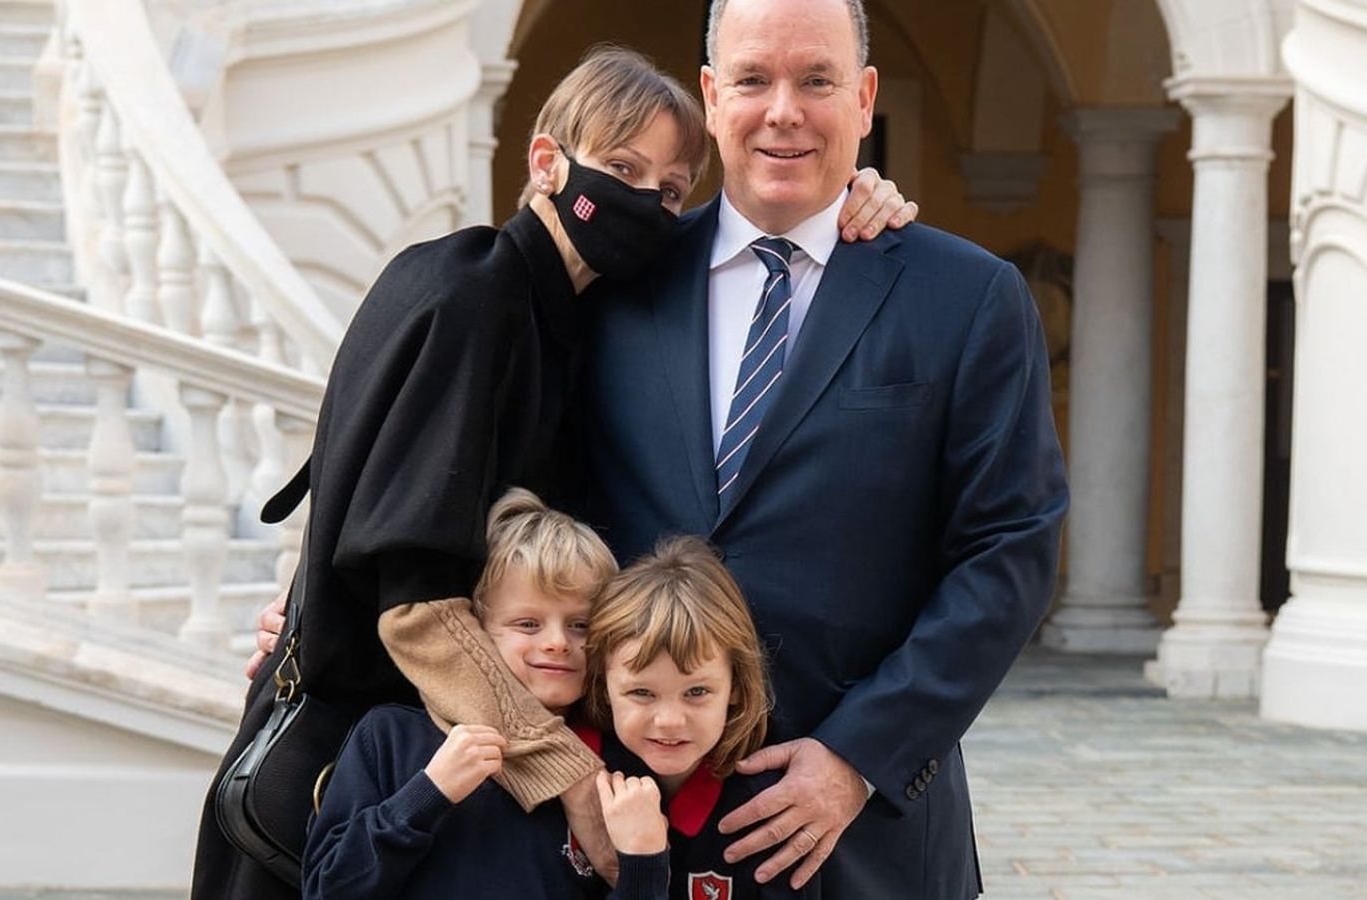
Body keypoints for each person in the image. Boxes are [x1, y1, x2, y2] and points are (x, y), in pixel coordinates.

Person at [197, 44, 916, 900]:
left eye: (670, 190)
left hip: (469, 774)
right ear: (547, 162)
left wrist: (855, 199)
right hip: (383, 776)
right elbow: (415, 603)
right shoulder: (471, 298)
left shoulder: (566, 317)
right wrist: (569, 778)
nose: (645, 203)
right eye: (619, 168)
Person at [576, 1, 1070, 897]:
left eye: (817, 80)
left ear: (865, 96)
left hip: (866, 841)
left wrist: (857, 756)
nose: (783, 111)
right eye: (755, 79)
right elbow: (513, 499)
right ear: (711, 94)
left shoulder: (968, 297)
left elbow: (1011, 550)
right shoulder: (614, 286)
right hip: (631, 827)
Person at [303, 488, 665, 899]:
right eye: (527, 624)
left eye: (580, 625)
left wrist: (643, 864)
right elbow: (326, 888)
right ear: (479, 630)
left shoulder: (617, 770)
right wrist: (428, 793)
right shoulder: (392, 737)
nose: (557, 642)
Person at [589, 536, 818, 899]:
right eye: (641, 693)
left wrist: (642, 864)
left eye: (696, 692)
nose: (668, 721)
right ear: (603, 687)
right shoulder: (579, 779)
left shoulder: (770, 810)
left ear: (737, 686)